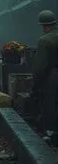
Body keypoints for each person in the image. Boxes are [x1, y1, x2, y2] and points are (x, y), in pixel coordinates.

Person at [32, 10, 58, 145]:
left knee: (49, 104)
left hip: (53, 75)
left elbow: (39, 68)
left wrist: (35, 86)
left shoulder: (44, 40)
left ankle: (51, 134)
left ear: (44, 25)